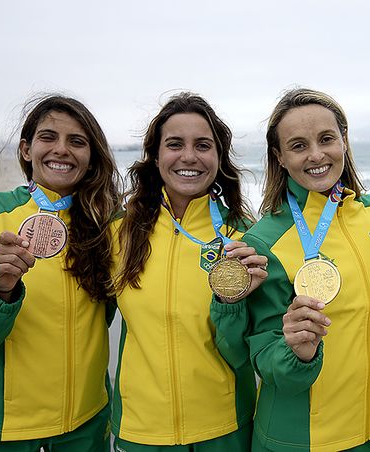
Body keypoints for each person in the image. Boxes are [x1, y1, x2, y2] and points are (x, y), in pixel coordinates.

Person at [0, 95, 121, 451]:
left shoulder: (106, 226)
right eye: (48, 137)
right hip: (3, 431)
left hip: (87, 424)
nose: (62, 150)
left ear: (91, 157)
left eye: (77, 141)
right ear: (26, 149)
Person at [217, 88, 370, 451]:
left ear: (344, 141)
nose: (316, 155)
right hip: (297, 437)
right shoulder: (264, 241)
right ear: (279, 157)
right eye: (298, 146)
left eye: (327, 139)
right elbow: (261, 355)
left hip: (369, 429)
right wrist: (296, 350)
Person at [110, 92, 267, 451]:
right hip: (142, 430)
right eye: (175, 144)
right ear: (155, 156)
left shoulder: (244, 237)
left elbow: (244, 353)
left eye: (203, 145)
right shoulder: (119, 234)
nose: (189, 157)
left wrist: (233, 302)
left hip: (226, 428)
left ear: (218, 157)